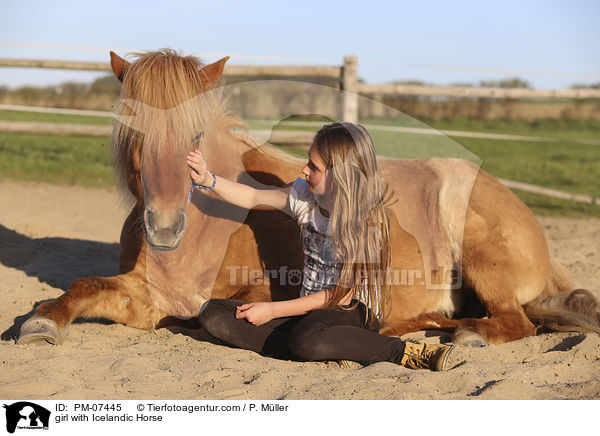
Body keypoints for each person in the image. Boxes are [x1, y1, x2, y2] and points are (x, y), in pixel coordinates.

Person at [188, 122, 460, 371]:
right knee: (213, 314)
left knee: (306, 338)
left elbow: (339, 296)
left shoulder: (365, 221)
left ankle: (400, 351)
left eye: (314, 166)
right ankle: (334, 348)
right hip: (310, 313)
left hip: (350, 311)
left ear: (340, 175)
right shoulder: (303, 196)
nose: (304, 169)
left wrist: (272, 310)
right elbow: (253, 195)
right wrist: (206, 179)